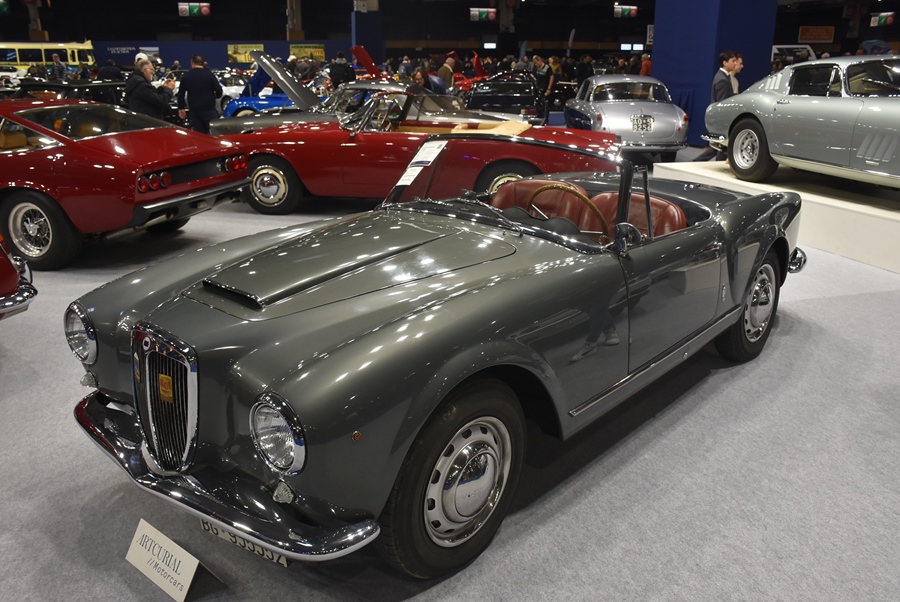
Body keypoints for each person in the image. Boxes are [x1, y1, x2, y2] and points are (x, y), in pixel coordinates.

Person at [694, 51, 739, 162]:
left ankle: (697, 161)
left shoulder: (723, 77)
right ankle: (698, 162)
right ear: (725, 62)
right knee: (721, 146)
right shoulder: (722, 79)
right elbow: (722, 103)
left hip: (721, 118)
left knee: (719, 146)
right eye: (733, 61)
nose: (735, 63)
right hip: (722, 119)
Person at [176, 54, 222, 134]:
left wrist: (181, 108)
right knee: (214, 133)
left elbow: (181, 94)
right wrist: (215, 96)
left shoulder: (186, 76)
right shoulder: (209, 75)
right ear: (203, 63)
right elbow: (219, 90)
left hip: (194, 110)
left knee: (199, 134)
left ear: (192, 63)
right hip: (209, 109)